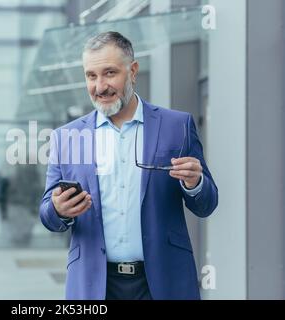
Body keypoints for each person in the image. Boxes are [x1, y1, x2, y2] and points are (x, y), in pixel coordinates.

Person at [39, 32, 218, 300]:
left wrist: (195, 183)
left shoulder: (176, 126)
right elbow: (47, 215)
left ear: (132, 71)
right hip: (94, 285)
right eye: (91, 76)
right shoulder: (66, 137)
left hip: (162, 281)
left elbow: (206, 204)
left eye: (110, 73)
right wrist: (58, 209)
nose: (100, 86)